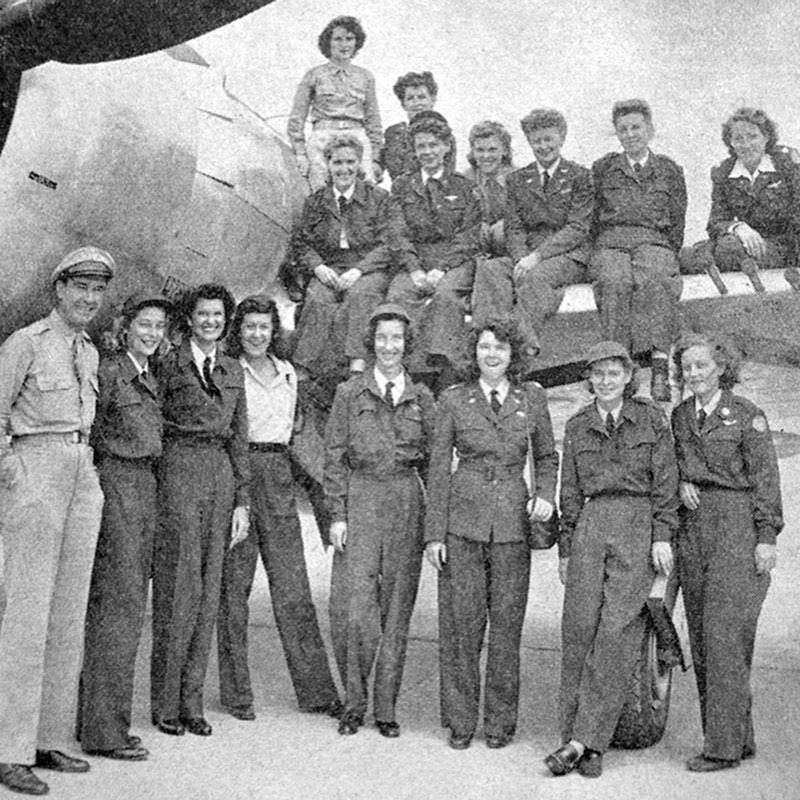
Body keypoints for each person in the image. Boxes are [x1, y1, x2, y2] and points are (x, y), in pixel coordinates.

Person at [0, 246, 113, 797]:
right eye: (81, 288)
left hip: (79, 471)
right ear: (59, 289)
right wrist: (13, 475)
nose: (90, 299)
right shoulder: (26, 343)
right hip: (36, 469)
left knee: (67, 613)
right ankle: (8, 747)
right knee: (26, 613)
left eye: (98, 290)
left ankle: (48, 737)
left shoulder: (88, 351)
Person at [545, 340, 678, 779]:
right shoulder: (578, 424)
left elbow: (666, 485)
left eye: (614, 374)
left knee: (616, 634)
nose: (605, 381)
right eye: (598, 374)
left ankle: (589, 743)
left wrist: (662, 536)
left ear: (628, 377)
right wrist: (567, 549)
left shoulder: (651, 419)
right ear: (589, 379)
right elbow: (569, 493)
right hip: (591, 525)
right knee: (579, 630)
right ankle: (572, 736)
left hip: (636, 525)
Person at [425, 318, 558, 750]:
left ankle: (500, 724)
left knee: (506, 630)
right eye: (485, 347)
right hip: (463, 526)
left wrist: (544, 495)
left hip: (512, 529)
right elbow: (438, 468)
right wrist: (435, 534)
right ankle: (461, 722)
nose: (492, 354)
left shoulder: (531, 398)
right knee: (461, 629)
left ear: (512, 353)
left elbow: (546, 456)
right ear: (474, 353)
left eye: (500, 347)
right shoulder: (453, 399)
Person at [217, 296, 341, 722]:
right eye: (249, 326)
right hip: (240, 474)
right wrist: (237, 493)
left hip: (279, 474)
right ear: (239, 331)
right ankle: (236, 695)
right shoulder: (228, 371)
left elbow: (300, 437)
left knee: (294, 589)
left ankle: (317, 692)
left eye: (264, 327)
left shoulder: (289, 374)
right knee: (233, 591)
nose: (256, 334)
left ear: (274, 331)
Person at [671, 333, 782, 772]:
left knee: (725, 639)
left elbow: (766, 480)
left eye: (702, 365)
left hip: (735, 527)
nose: (694, 374)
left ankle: (721, 748)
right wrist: (683, 481)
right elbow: (673, 462)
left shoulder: (747, 416)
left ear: (720, 368)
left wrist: (766, 537)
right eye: (687, 367)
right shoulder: (681, 415)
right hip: (693, 528)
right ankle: (738, 737)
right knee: (702, 638)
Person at [324, 304, 436, 738]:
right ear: (371, 342)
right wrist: (337, 514)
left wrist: (433, 527)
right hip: (362, 496)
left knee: (397, 609)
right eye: (383, 338)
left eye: (398, 339)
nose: (390, 347)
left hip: (406, 499)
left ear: (408, 345)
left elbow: (433, 464)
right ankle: (354, 703)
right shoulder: (349, 394)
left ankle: (386, 707)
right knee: (356, 611)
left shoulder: (421, 397)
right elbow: (334, 456)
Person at [150, 283, 250, 738]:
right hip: (180, 469)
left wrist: (242, 500)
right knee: (178, 590)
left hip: (220, 475)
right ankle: (166, 704)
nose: (211, 322)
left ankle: (192, 702)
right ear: (189, 319)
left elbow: (239, 437)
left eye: (218, 316)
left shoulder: (232, 369)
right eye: (203, 314)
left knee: (209, 594)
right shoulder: (168, 364)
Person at [78, 291, 171, 762]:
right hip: (119, 486)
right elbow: (92, 432)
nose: (152, 333)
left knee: (126, 608)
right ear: (126, 327)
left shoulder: (149, 374)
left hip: (144, 487)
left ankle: (99, 720)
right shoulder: (112, 371)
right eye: (144, 324)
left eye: (159, 327)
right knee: (118, 607)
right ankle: (104, 731)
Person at [471, 109, 593, 363]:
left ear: (561, 138)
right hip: (526, 255)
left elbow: (577, 228)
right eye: (537, 141)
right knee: (491, 269)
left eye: (549, 139)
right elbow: (514, 227)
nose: (543, 146)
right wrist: (520, 259)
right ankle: (484, 344)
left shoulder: (580, 176)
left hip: (567, 255)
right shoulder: (518, 179)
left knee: (536, 277)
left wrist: (535, 257)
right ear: (529, 142)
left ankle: (521, 353)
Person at [590, 100, 687, 401]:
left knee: (659, 276)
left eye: (636, 127)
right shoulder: (603, 168)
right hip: (612, 241)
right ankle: (617, 367)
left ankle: (659, 366)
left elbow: (677, 220)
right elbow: (593, 218)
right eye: (623, 129)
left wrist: (665, 250)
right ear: (617, 134)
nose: (630, 134)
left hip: (652, 240)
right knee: (613, 281)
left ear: (650, 129)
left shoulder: (669, 170)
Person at [386, 115, 481, 382]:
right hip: (417, 260)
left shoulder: (463, 186)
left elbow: (468, 236)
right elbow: (397, 232)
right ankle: (408, 370)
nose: (427, 152)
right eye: (421, 146)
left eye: (433, 145)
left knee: (446, 296)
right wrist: (414, 269)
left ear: (446, 147)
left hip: (454, 261)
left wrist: (442, 268)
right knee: (397, 296)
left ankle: (446, 370)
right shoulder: (402, 186)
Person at [291, 134, 393, 382]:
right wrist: (318, 267)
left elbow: (388, 243)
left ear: (359, 163)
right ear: (328, 165)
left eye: (350, 162)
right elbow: (302, 243)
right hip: (331, 267)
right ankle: (303, 369)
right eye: (337, 162)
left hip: (367, 269)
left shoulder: (378, 198)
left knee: (361, 295)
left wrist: (359, 270)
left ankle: (357, 366)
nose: (344, 169)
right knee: (318, 298)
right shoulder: (316, 202)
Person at [287, 15, 382, 191]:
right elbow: (297, 116)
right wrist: (300, 152)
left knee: (366, 189)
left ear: (356, 42)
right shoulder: (314, 75)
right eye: (338, 39)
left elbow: (373, 119)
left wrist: (375, 158)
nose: (344, 45)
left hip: (356, 135)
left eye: (349, 39)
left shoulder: (365, 77)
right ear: (328, 43)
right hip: (322, 136)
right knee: (320, 189)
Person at [707, 107, 800, 284]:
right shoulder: (724, 172)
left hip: (786, 246)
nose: (746, 145)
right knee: (721, 248)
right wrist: (738, 227)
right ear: (730, 143)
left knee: (726, 250)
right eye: (738, 139)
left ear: (766, 137)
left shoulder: (787, 165)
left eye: (753, 136)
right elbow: (715, 222)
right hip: (745, 243)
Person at [464, 120, 515, 258]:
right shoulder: (465, 180)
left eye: (492, 150)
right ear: (473, 152)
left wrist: (505, 224)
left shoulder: (518, 178)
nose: (486, 156)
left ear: (504, 150)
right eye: (480, 150)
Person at [381, 71, 441, 180]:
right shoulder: (394, 134)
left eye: (421, 97)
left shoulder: (442, 133)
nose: (416, 102)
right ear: (403, 104)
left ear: (432, 100)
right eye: (410, 98)